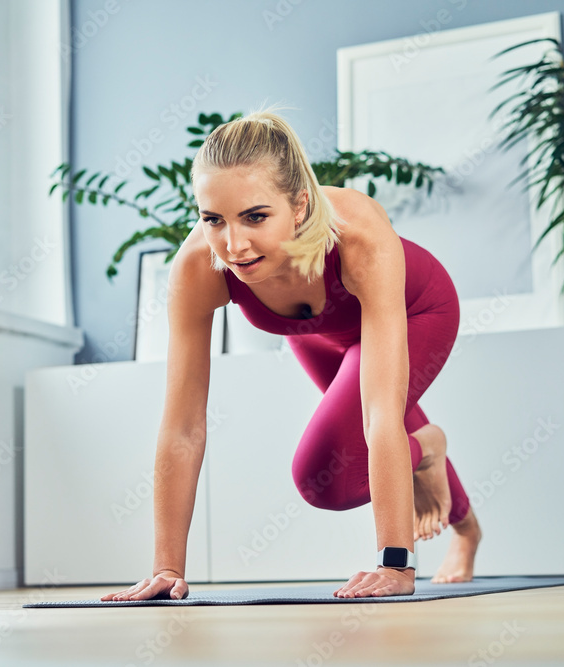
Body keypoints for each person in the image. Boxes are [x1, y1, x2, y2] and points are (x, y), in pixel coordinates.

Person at [101, 106, 481, 602]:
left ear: (300, 205)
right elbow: (183, 426)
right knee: (365, 444)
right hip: (315, 332)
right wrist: (166, 567)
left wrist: (396, 565)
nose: (233, 245)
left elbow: (380, 415)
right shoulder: (199, 266)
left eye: (255, 217)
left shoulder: (359, 234)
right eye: (212, 219)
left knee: (326, 480)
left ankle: (432, 461)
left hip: (415, 312)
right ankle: (443, 484)